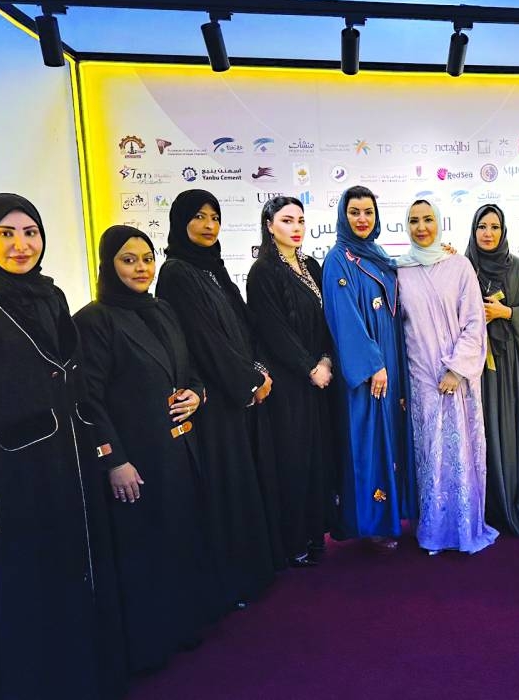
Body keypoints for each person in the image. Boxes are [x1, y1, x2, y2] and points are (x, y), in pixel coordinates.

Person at [0, 193, 125, 699]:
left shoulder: (50, 296)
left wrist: (99, 449)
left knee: (62, 576)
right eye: (6, 234)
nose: (21, 245)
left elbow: (72, 378)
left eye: (30, 233)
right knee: (16, 587)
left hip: (62, 465)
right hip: (7, 472)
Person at [74, 225, 214, 672]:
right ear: (108, 264)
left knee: (180, 538)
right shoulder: (94, 320)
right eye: (128, 259)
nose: (141, 268)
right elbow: (87, 400)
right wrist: (114, 460)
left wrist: (197, 394)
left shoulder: (163, 309)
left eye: (147, 258)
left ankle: (184, 625)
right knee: (143, 550)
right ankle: (149, 646)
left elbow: (188, 370)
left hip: (178, 451)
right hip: (136, 458)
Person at [156, 189, 280, 607]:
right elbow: (203, 340)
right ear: (180, 221)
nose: (209, 225)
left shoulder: (212, 267)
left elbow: (243, 327)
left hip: (238, 392)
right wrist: (249, 382)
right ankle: (233, 582)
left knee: (245, 481)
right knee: (226, 488)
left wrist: (259, 371)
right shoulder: (176, 272)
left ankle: (254, 572)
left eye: (214, 217)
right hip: (214, 399)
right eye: (199, 216)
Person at [397, 199, 498, 555]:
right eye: (414, 221)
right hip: (420, 378)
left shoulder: (459, 266)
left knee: (459, 453)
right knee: (429, 454)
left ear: (439, 222)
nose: (421, 227)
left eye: (428, 219)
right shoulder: (400, 270)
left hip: (457, 379)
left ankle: (462, 528)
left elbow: (474, 320)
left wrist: (456, 369)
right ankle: (433, 530)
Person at [321, 186, 416, 548]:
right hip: (366, 370)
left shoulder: (378, 255)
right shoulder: (338, 259)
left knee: (390, 438)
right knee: (369, 441)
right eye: (354, 212)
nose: (362, 219)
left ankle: (390, 517)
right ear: (343, 216)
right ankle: (371, 522)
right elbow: (343, 317)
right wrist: (373, 364)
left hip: (391, 363)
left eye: (368, 212)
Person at [247, 196, 335, 567]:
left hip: (319, 377)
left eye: (300, 220)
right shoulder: (263, 271)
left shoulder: (311, 265)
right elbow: (273, 330)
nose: (296, 227)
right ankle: (292, 540)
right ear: (269, 225)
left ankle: (315, 534)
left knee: (317, 457)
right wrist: (308, 368)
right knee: (293, 459)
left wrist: (326, 360)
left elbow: (328, 318)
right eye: (286, 220)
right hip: (288, 382)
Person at [465, 203, 519, 537]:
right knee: (480, 436)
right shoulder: (463, 268)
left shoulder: (517, 268)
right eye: (482, 227)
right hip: (474, 371)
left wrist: (507, 313)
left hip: (511, 371)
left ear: (503, 232)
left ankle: (513, 502)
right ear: (473, 231)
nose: (488, 233)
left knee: (512, 434)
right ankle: (483, 508)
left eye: (495, 227)